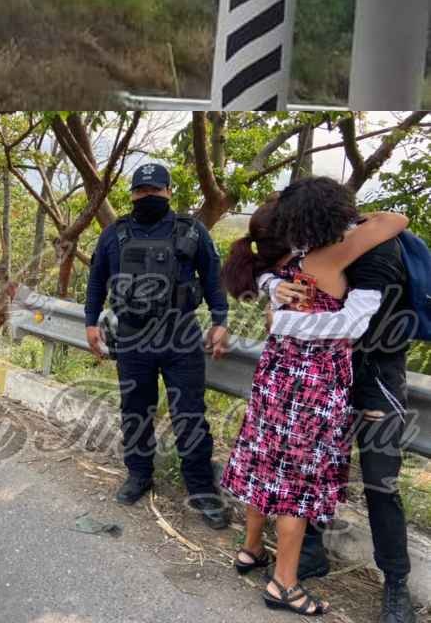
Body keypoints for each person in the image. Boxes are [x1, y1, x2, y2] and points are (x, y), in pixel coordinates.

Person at [221, 179, 408, 617]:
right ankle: (287, 579)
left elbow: (343, 314)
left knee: (274, 467)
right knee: (297, 483)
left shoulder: (316, 259)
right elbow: (392, 221)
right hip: (315, 386)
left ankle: (254, 550)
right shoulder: (323, 253)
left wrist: (279, 317)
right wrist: (275, 300)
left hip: (308, 378)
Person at [274, 213, 418, 623]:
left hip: (375, 378)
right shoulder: (317, 247)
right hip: (326, 375)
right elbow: (293, 292)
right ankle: (313, 553)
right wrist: (276, 288)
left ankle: (396, 584)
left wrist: (279, 318)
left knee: (380, 481)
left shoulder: (377, 251)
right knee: (314, 469)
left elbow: (352, 325)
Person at [85, 162, 231, 528]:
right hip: (133, 336)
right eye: (141, 191)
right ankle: (139, 475)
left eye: (155, 190)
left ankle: (201, 489)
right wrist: (90, 323)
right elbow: (97, 280)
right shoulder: (114, 234)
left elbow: (214, 278)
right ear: (132, 194)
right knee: (135, 410)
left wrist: (220, 321)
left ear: (168, 192)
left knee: (190, 416)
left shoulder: (192, 231)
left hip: (180, 335)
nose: (148, 196)